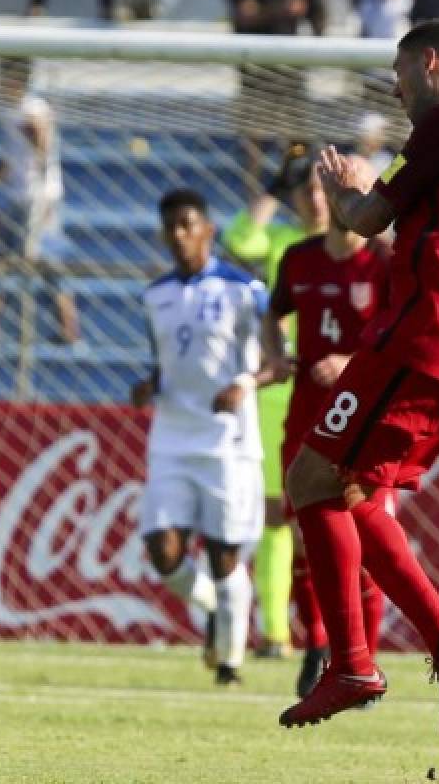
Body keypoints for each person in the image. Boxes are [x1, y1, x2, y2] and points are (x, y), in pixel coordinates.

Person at [277, 18, 439, 732]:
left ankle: (353, 663)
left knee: (308, 480)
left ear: (430, 62)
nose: (394, 88)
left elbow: (363, 220)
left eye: (398, 72)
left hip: (419, 341)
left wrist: (348, 187)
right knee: (357, 491)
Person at [131, 188, 280, 686]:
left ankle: (230, 665)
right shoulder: (155, 296)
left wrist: (245, 384)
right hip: (172, 437)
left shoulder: (244, 290)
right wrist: (150, 384)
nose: (178, 235)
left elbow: (275, 362)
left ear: (207, 231)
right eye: (170, 226)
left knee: (223, 554)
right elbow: (164, 360)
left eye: (186, 224)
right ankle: (215, 608)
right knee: (163, 552)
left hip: (227, 443)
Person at [261, 155, 392, 698]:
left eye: (339, 193)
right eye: (324, 192)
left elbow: (399, 337)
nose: (328, 202)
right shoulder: (297, 259)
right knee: (305, 541)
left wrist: (349, 363)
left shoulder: (383, 263)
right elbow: (273, 314)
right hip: (307, 418)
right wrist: (277, 355)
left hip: (366, 422)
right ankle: (317, 648)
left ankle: (365, 661)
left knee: (363, 546)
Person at [225, 141, 330, 661]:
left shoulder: (353, 244)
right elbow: (240, 237)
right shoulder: (283, 242)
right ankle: (274, 632)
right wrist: (271, 187)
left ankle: (333, 636)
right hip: (279, 393)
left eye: (318, 187)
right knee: (276, 513)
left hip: (337, 392)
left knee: (333, 515)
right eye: (303, 189)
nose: (313, 198)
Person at [0, 56, 80, 346]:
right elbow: (11, 161)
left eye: (0, 77)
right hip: (22, 197)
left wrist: (43, 195)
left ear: (14, 81)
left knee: (12, 259)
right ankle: (64, 327)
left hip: (33, 200)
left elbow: (40, 142)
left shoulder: (29, 110)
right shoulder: (16, 110)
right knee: (33, 260)